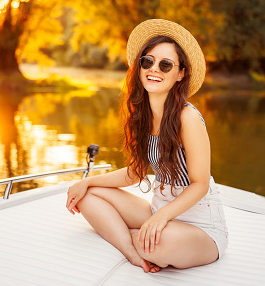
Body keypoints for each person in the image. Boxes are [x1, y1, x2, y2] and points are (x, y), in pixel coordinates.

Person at [66, 19, 228, 273]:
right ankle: (131, 251)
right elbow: (135, 173)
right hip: (159, 208)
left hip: (200, 223)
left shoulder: (188, 117)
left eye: (166, 65)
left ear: (181, 73)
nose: (155, 69)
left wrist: (161, 218)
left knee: (156, 244)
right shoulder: (142, 116)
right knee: (86, 196)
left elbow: (200, 183)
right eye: (148, 61)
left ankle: (125, 233)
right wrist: (87, 181)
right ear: (140, 66)